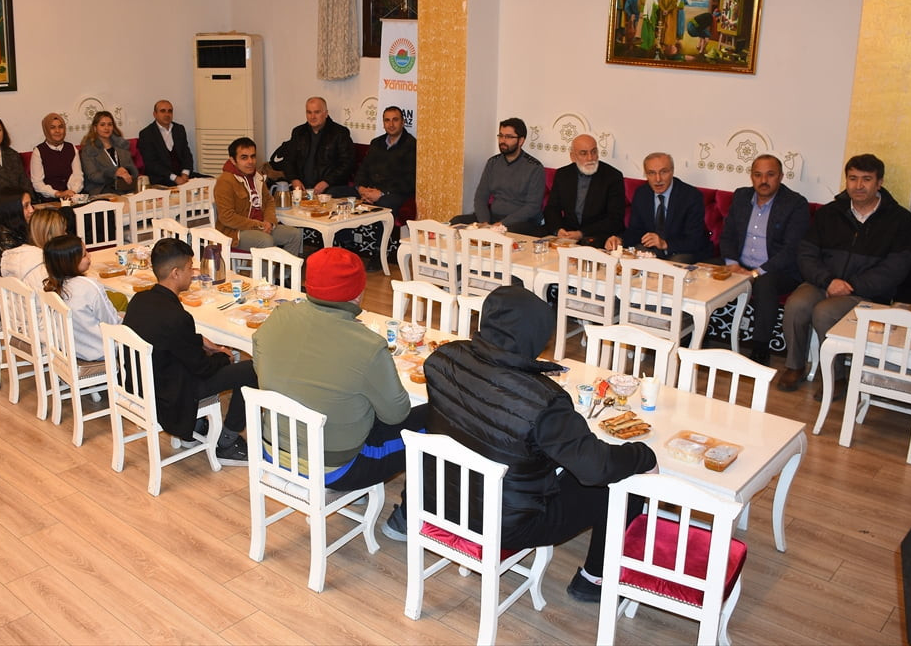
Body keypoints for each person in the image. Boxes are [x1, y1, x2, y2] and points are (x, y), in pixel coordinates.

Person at [422, 285, 658, 602]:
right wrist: (642, 455)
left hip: (443, 499)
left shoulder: (442, 358)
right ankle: (594, 579)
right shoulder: (545, 400)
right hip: (509, 524)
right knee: (619, 479)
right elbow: (595, 469)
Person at [251, 247, 428, 539]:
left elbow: (260, 366)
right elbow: (397, 414)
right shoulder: (367, 345)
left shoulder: (278, 316)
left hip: (273, 450)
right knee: (434, 418)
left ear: (309, 284)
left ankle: (363, 495)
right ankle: (406, 519)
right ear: (358, 293)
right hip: (334, 467)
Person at [777, 154, 911, 398]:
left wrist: (851, 285)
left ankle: (835, 377)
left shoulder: (900, 220)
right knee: (797, 304)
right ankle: (794, 365)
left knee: (825, 311)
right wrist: (827, 281)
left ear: (879, 183)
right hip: (824, 282)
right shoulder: (830, 213)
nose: (858, 185)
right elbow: (806, 253)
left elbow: (895, 268)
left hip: (866, 292)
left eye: (866, 179)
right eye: (853, 178)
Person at [121, 237, 256, 464]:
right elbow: (202, 369)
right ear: (175, 273)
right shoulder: (177, 317)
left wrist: (198, 341)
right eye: (189, 268)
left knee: (214, 357)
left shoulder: (140, 299)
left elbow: (166, 336)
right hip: (170, 395)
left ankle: (196, 424)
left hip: (143, 383)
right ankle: (227, 441)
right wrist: (224, 356)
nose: (193, 273)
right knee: (251, 369)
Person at [718, 154, 810, 364]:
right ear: (751, 177)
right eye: (758, 175)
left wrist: (755, 273)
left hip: (778, 271)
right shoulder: (741, 197)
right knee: (700, 270)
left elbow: (791, 249)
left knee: (765, 284)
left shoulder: (795, 203)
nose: (763, 181)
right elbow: (728, 235)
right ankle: (693, 334)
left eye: (770, 175)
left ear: (781, 176)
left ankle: (760, 349)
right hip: (740, 265)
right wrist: (732, 264)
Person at [606, 152, 711, 263]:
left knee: (674, 264)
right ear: (646, 174)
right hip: (652, 250)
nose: (658, 179)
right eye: (651, 173)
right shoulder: (642, 193)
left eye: (663, 172)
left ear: (672, 171)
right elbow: (636, 230)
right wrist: (620, 240)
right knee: (632, 258)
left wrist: (664, 244)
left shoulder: (691, 196)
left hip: (681, 251)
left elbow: (694, 240)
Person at [451, 117, 545, 235]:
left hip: (520, 222)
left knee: (504, 233)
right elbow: (480, 197)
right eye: (501, 136)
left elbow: (533, 207)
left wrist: (503, 224)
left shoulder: (534, 167)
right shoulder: (493, 162)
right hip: (492, 217)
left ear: (521, 140)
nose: (503, 140)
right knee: (456, 222)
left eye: (509, 137)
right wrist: (484, 222)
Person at [214, 137, 302, 256]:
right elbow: (227, 217)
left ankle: (286, 274)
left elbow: (269, 201)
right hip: (234, 232)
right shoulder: (225, 181)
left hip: (261, 226)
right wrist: (258, 225)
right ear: (233, 160)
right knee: (265, 240)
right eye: (244, 157)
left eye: (253, 156)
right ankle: (264, 275)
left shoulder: (257, 176)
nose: (250, 161)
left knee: (295, 235)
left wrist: (269, 222)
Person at [41, 235, 122, 362]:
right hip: (99, 351)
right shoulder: (89, 286)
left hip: (72, 349)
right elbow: (112, 322)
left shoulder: (52, 286)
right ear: (70, 262)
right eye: (84, 255)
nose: (90, 256)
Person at [543, 133, 625, 247]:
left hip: (597, 234)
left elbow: (615, 218)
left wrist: (581, 233)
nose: (590, 158)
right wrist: (558, 230)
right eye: (583, 153)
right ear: (573, 157)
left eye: (594, 151)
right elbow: (552, 208)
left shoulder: (612, 176)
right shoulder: (563, 174)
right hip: (568, 233)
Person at [267, 96, 354, 195]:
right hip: (301, 188)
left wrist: (326, 182)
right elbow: (289, 160)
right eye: (309, 112)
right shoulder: (298, 132)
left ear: (326, 114)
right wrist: (294, 179)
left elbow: (347, 164)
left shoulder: (340, 133)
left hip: (330, 188)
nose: (312, 117)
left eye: (317, 112)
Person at [340, 105, 417, 213]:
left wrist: (381, 193)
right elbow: (363, 169)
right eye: (387, 120)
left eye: (395, 120)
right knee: (335, 192)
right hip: (369, 189)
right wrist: (362, 189)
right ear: (383, 123)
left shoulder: (412, 145)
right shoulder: (376, 143)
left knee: (384, 203)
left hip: (393, 193)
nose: (391, 124)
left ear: (403, 122)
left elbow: (409, 180)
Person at [137, 99, 203, 187]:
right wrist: (175, 178)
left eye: (170, 111)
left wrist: (185, 174)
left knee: (211, 180)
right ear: (155, 114)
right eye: (163, 111)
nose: (167, 114)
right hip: (161, 179)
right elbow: (151, 164)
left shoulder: (179, 129)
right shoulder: (146, 134)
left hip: (182, 176)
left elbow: (186, 154)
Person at [2, 207, 68, 291]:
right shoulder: (42, 267)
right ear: (51, 235)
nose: (66, 235)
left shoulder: (20, 256)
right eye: (63, 232)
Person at [0, 188, 34, 289]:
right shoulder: (3, 243)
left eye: (31, 204)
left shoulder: (13, 231)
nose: (31, 210)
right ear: (12, 210)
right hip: (12, 300)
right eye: (26, 206)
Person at [79, 110, 139, 195]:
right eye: (102, 125)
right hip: (102, 190)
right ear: (95, 128)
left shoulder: (122, 145)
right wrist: (114, 172)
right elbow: (93, 176)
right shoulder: (89, 150)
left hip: (125, 187)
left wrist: (126, 171)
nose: (106, 128)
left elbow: (133, 169)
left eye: (110, 124)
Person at [29, 113, 82, 201]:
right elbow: (37, 183)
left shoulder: (71, 148)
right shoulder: (38, 151)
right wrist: (58, 194)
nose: (57, 131)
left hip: (72, 196)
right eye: (52, 127)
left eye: (60, 127)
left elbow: (78, 175)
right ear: (46, 130)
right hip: (50, 199)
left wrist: (72, 191)